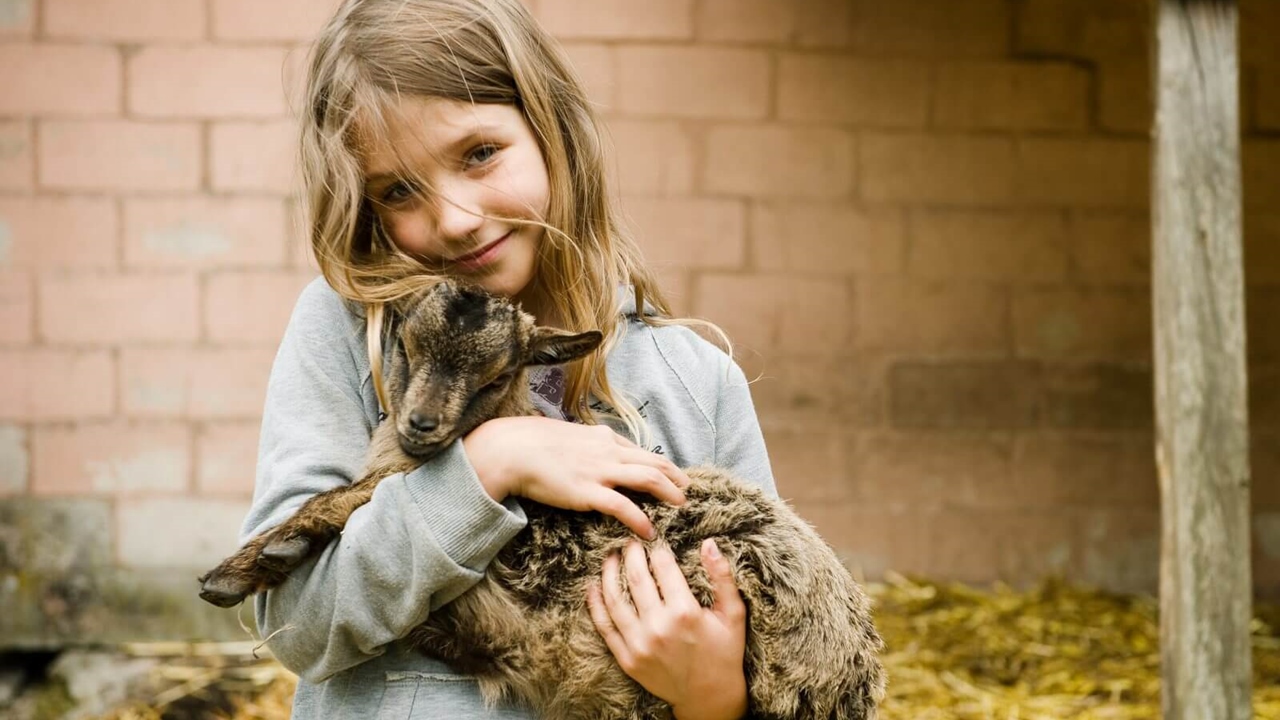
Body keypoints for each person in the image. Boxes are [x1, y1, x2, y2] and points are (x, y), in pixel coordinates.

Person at [240, 0, 777, 716]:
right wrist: (487, 466)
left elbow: (770, 632)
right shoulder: (350, 333)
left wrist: (714, 697)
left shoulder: (695, 381)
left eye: (479, 153)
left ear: (551, 125)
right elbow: (295, 621)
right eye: (398, 190)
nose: (455, 219)